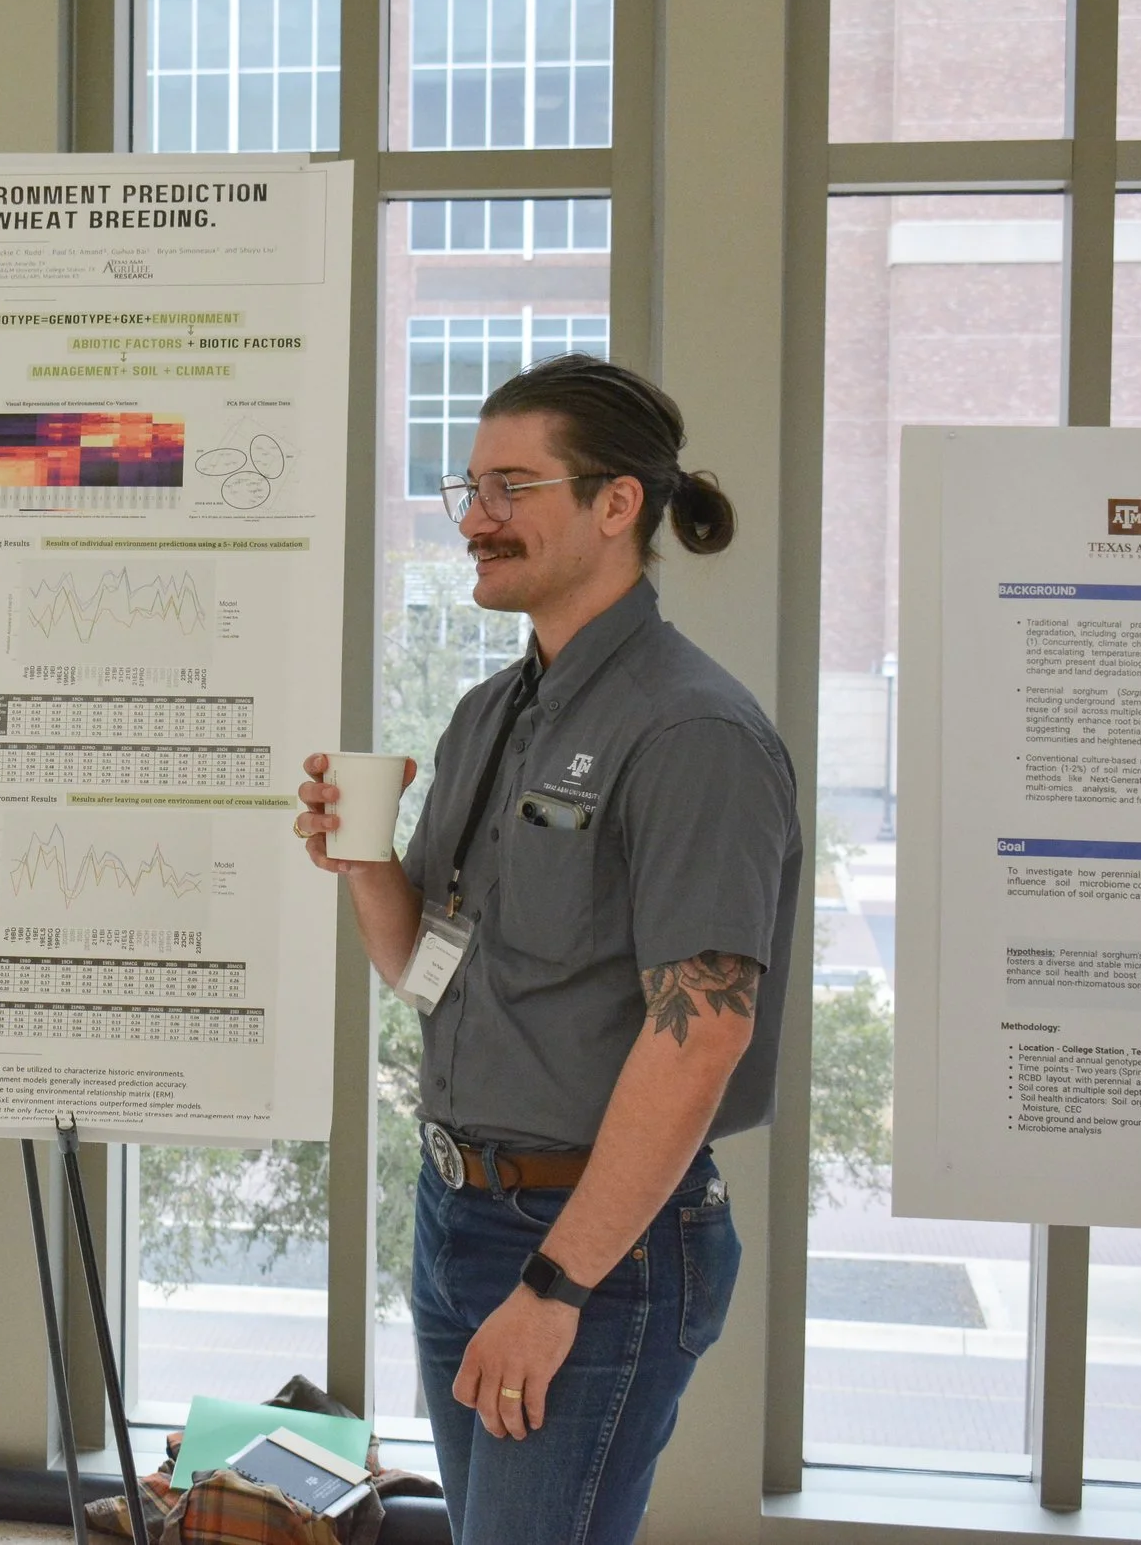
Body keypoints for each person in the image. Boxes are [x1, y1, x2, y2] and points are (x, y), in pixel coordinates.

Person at [296, 355, 800, 1545]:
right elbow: (422, 968)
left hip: (589, 1246)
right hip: (457, 1211)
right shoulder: (490, 712)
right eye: (467, 487)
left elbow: (701, 1036)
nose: (474, 518)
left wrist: (556, 1281)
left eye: (509, 488)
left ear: (616, 503)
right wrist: (361, 861)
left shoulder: (692, 731)